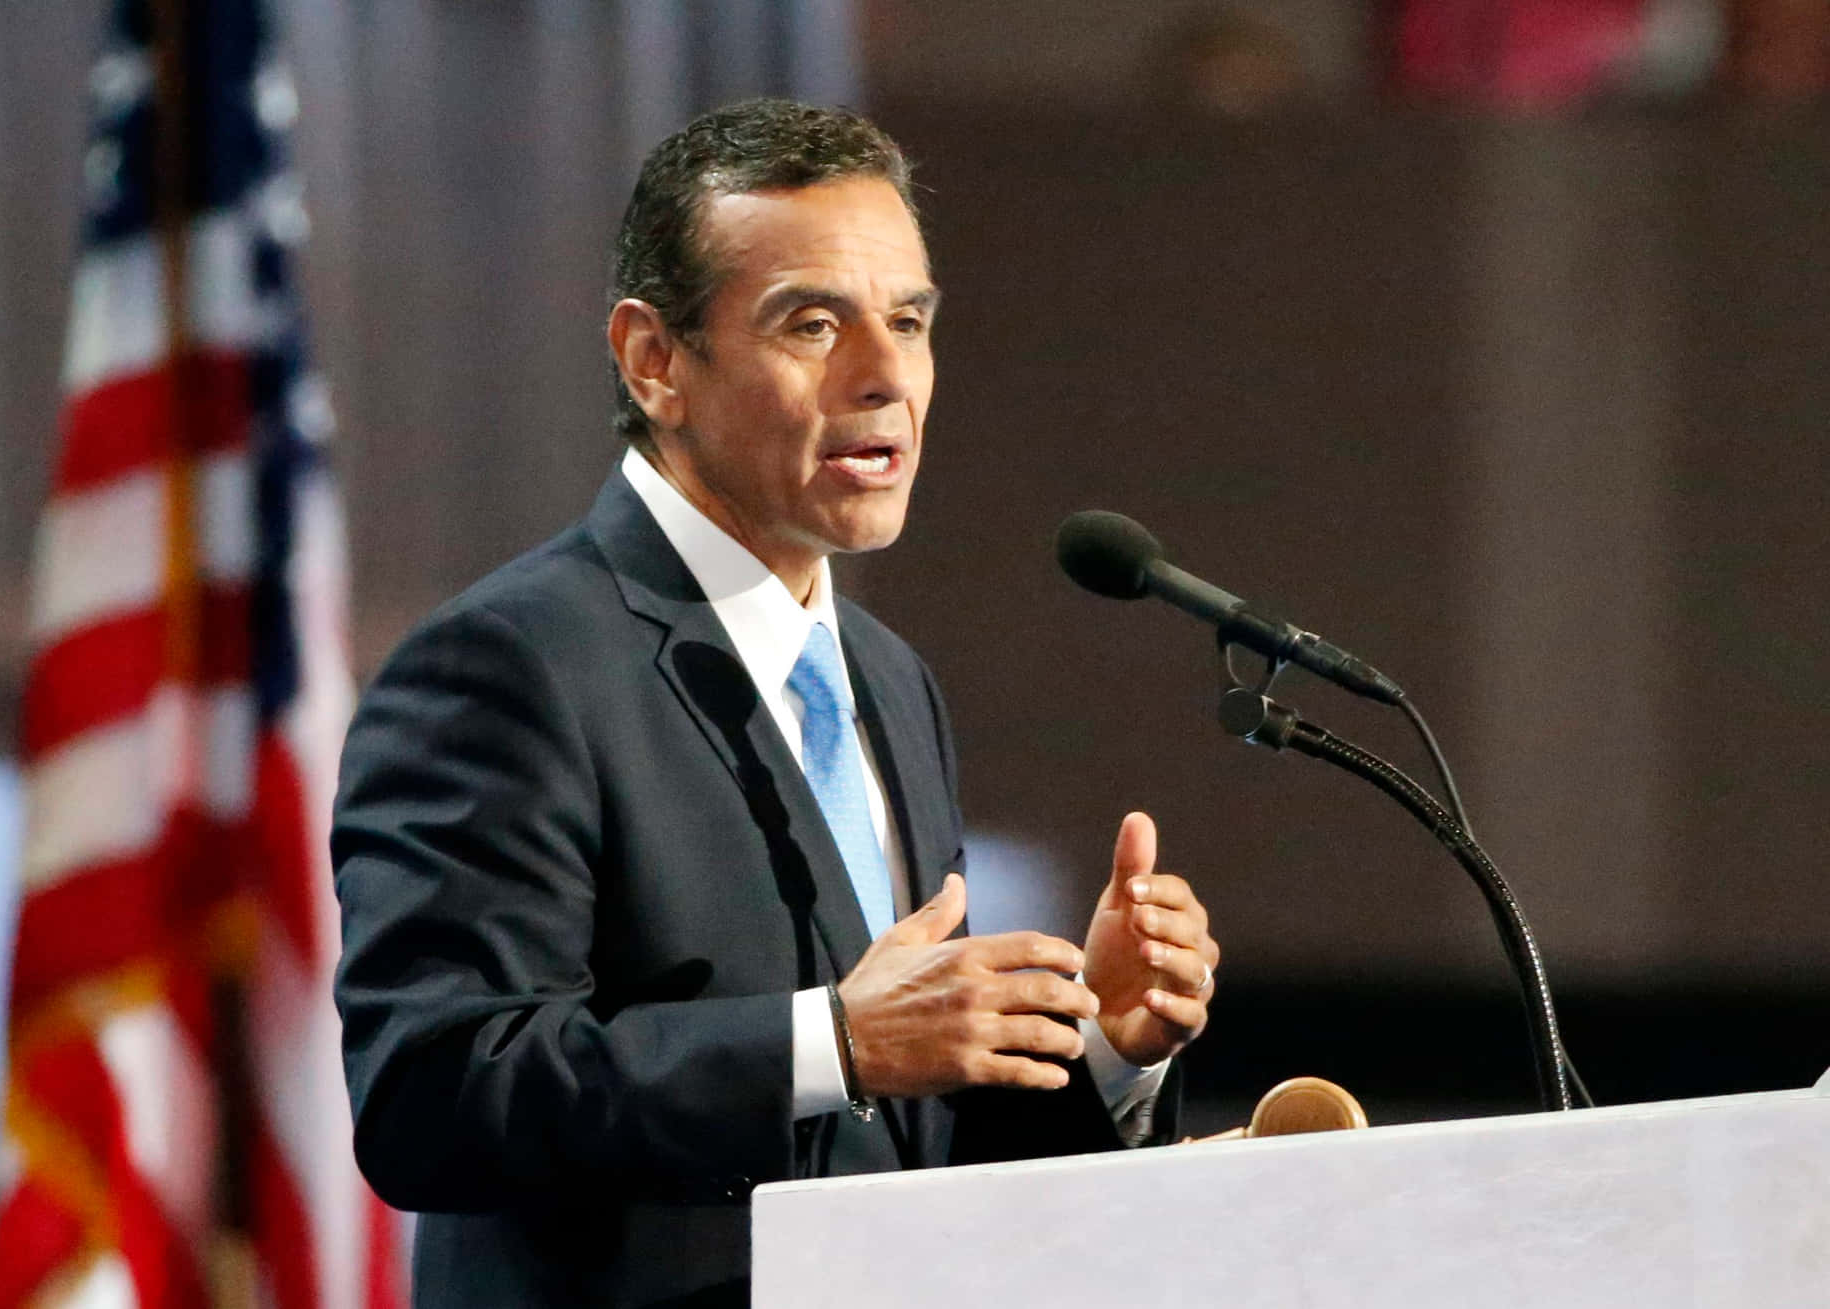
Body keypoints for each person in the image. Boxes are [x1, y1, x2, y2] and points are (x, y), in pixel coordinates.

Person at [331, 99, 1221, 1309]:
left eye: (908, 322)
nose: (884, 376)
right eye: (814, 323)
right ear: (655, 361)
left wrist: (1100, 1044)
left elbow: (908, 1162)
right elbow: (430, 1097)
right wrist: (834, 1043)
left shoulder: (888, 679)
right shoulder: (506, 665)